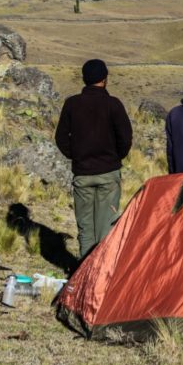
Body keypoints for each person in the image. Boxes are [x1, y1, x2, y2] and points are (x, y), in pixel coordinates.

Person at [55, 59, 133, 258]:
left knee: (85, 229)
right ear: (105, 79)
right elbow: (125, 137)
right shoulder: (113, 104)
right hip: (108, 174)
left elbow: (61, 138)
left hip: (83, 174)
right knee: (106, 228)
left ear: (84, 79)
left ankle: (84, 273)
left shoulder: (72, 104)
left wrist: (77, 156)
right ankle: (102, 275)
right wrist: (115, 157)